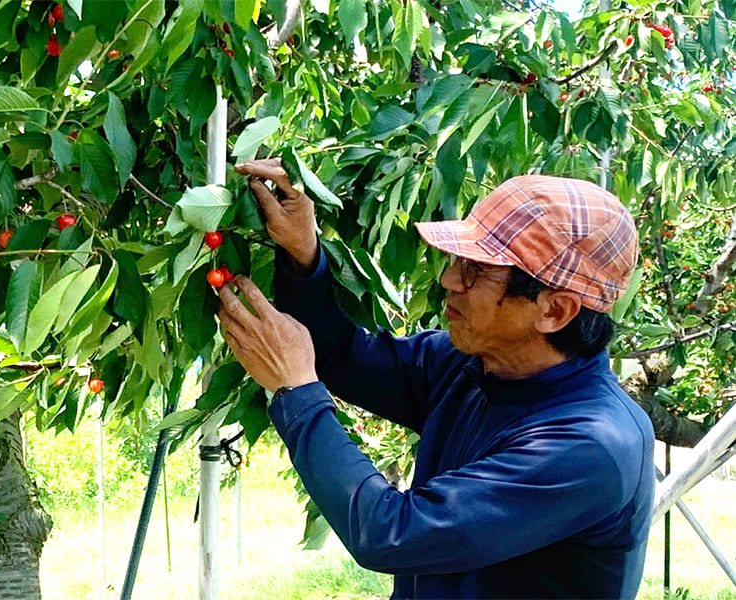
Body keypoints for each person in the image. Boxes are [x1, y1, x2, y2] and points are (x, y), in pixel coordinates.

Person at [218, 160, 655, 599]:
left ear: (554, 310)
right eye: (457, 261)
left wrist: (295, 391)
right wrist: (301, 253)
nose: (448, 279)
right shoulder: (471, 366)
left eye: (475, 270)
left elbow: (391, 534)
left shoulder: (590, 446)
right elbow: (342, 356)